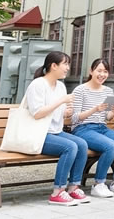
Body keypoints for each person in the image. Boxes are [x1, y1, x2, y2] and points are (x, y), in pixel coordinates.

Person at [24, 51, 91, 206]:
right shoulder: (38, 84)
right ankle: (57, 192)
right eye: (65, 64)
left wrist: (65, 112)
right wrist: (61, 101)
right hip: (38, 134)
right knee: (70, 147)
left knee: (81, 144)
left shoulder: (60, 86)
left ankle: (73, 187)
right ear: (53, 66)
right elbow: (37, 113)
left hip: (55, 132)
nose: (68, 68)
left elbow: (57, 113)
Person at [71, 58, 114, 197]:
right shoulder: (80, 90)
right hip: (83, 129)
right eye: (99, 71)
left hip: (102, 128)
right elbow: (75, 118)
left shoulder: (108, 91)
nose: (102, 74)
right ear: (91, 71)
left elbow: (108, 118)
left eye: (105, 71)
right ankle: (98, 184)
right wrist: (95, 109)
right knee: (111, 146)